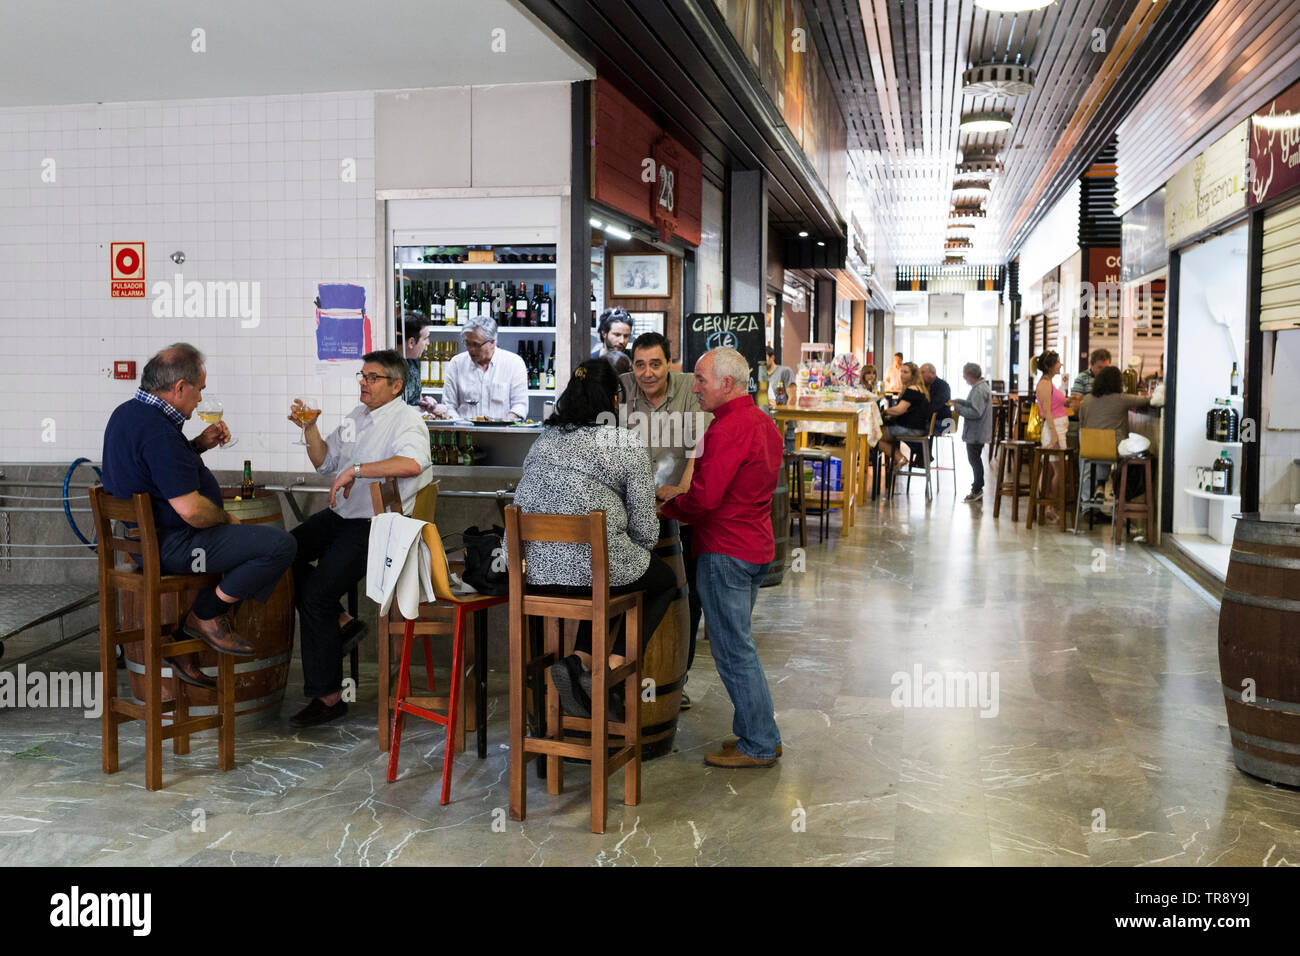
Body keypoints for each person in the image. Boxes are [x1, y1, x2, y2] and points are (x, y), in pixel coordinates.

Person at [101, 343, 297, 689]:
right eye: (199, 390)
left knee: (249, 549)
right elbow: (190, 510)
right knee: (279, 546)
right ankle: (204, 616)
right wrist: (225, 520)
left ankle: (182, 640)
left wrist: (198, 446)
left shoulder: (128, 414)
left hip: (143, 542)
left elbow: (156, 473)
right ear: (179, 387)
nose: (200, 399)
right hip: (174, 546)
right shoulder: (159, 430)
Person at [512, 359, 678, 719]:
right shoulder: (623, 442)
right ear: (614, 401)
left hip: (537, 580)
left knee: (599, 576)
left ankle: (577, 661)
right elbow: (647, 535)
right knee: (663, 582)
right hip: (595, 575)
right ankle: (612, 673)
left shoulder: (542, 440)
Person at [287, 349, 433, 727]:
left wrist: (357, 470)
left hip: (377, 525)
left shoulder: (407, 420)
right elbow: (324, 463)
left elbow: (411, 464)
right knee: (280, 553)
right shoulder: (358, 417)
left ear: (396, 385)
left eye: (372, 377)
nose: (364, 383)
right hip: (341, 517)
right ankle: (342, 620)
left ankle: (330, 697)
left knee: (315, 593)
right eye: (362, 376)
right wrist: (309, 428)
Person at [659, 347, 783, 768]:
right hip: (756, 546)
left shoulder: (725, 429)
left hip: (724, 550)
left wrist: (667, 507)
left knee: (733, 651)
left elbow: (705, 499)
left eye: (700, 380)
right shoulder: (764, 423)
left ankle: (760, 743)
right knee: (738, 646)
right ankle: (757, 731)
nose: (694, 388)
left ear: (726, 384)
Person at [619, 332, 713, 707]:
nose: (647, 373)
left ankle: (679, 678)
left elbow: (700, 445)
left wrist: (684, 490)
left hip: (679, 513)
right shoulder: (621, 389)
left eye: (655, 363)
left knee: (686, 597)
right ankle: (626, 677)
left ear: (669, 362)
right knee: (632, 594)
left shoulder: (691, 387)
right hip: (630, 514)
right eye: (639, 364)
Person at [1079, 365, 1151, 501]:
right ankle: (1113, 489)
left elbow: (1082, 424)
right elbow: (1148, 400)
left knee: (1100, 453)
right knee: (1114, 452)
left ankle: (1098, 489)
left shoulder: (1086, 400)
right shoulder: (1122, 399)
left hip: (1089, 448)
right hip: (1113, 449)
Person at [438, 315, 528, 420]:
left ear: (492, 342)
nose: (470, 349)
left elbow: (520, 405)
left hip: (503, 432)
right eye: (467, 343)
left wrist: (505, 423)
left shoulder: (514, 363)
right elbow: (448, 405)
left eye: (476, 344)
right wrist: (460, 424)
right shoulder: (457, 363)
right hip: (465, 432)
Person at [1033, 349, 1069, 523]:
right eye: (1058, 362)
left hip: (1058, 428)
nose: (1060, 365)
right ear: (1049, 366)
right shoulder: (1045, 384)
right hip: (1053, 429)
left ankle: (1048, 506)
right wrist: (1054, 436)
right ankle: (1049, 506)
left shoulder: (1049, 383)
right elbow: (1047, 412)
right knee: (1058, 470)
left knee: (1052, 470)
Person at [948, 362, 992, 503]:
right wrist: (959, 402)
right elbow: (973, 404)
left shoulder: (979, 390)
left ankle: (977, 489)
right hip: (977, 431)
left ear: (970, 375)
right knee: (975, 460)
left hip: (976, 433)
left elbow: (976, 412)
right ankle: (977, 487)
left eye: (965, 375)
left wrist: (958, 409)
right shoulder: (980, 387)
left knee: (975, 461)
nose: (963, 377)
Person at [877, 361, 930, 472]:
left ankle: (899, 458)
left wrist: (884, 412)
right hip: (918, 428)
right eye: (901, 371)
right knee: (880, 434)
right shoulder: (919, 388)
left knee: (874, 436)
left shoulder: (912, 389)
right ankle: (896, 461)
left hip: (911, 429)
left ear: (913, 375)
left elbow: (899, 410)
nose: (902, 374)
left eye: (905, 372)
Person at [400, 314, 438, 410]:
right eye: (425, 338)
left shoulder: (413, 361)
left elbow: (414, 398)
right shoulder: (387, 368)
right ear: (411, 342)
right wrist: (420, 409)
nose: (428, 343)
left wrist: (424, 402)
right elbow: (390, 411)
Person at [1068, 348, 1112, 412]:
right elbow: (1075, 404)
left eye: (1106, 368)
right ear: (1091, 364)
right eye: (1100, 367)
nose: (1103, 371)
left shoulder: (1112, 377)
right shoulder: (1082, 377)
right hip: (1089, 414)